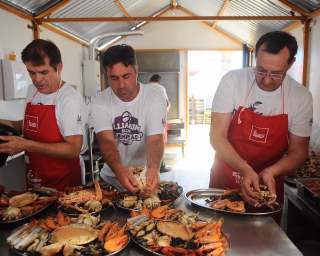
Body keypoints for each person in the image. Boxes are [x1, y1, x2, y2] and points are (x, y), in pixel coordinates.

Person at [209, 31, 313, 225]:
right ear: (255, 58)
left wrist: (270, 173)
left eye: (276, 73)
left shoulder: (301, 97)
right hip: (227, 176)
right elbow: (216, 135)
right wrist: (244, 169)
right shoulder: (232, 81)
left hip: (269, 184)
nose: (266, 80)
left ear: (290, 65)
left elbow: (299, 152)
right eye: (260, 70)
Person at [0, 39, 88, 191]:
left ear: (59, 67)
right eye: (32, 73)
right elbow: (31, 125)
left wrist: (26, 145)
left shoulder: (70, 99)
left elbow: (73, 149)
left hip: (64, 182)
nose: (37, 79)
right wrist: (8, 124)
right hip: (34, 178)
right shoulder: (31, 91)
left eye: (43, 72)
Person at [91, 44, 167, 193]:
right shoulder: (100, 102)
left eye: (126, 76)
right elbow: (106, 140)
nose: (121, 85)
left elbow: (155, 139)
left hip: (146, 179)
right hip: (111, 179)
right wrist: (119, 169)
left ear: (136, 71)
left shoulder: (155, 99)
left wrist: (153, 168)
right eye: (114, 78)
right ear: (106, 75)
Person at [146, 74, 171, 173]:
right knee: (159, 140)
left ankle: (147, 166)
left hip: (144, 119)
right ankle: (161, 166)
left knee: (147, 141)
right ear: (159, 82)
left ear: (149, 80)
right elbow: (166, 104)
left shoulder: (143, 87)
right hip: (157, 119)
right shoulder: (160, 88)